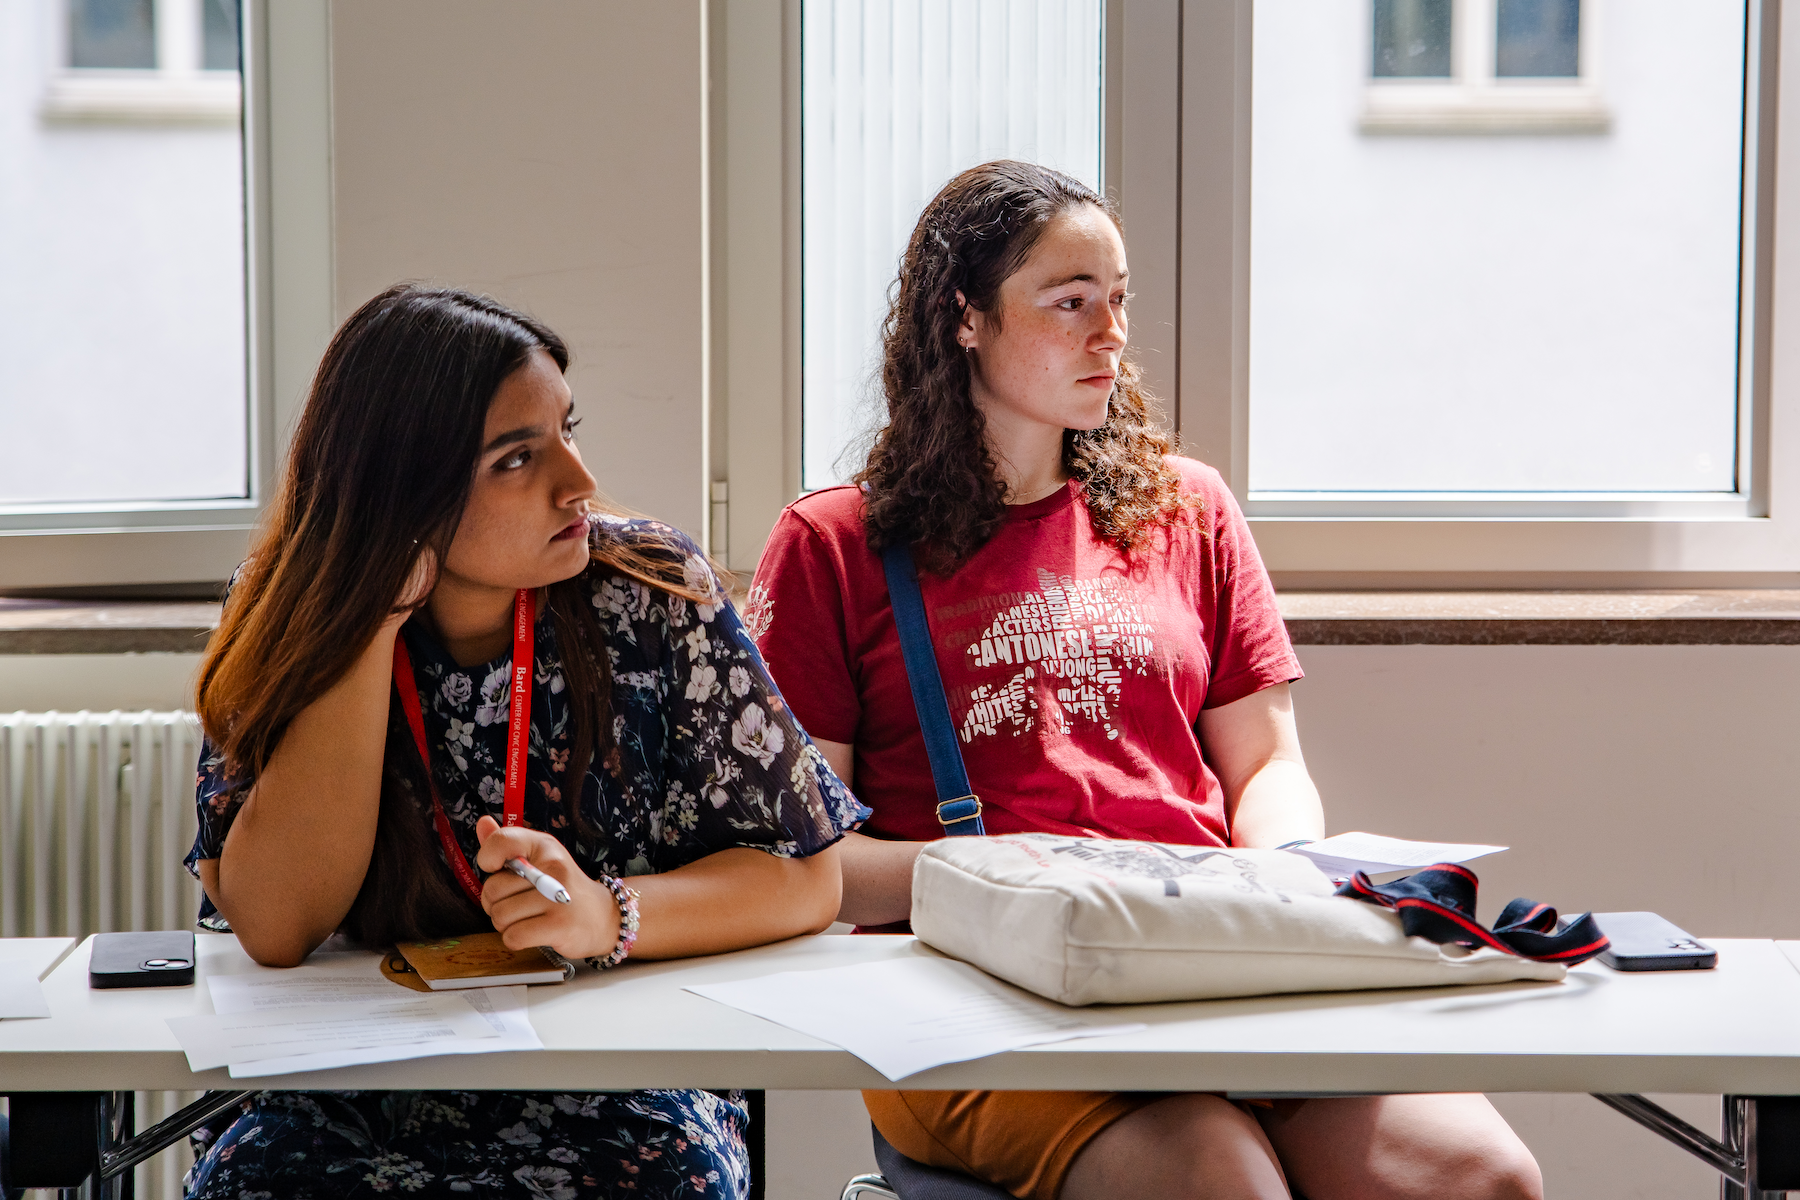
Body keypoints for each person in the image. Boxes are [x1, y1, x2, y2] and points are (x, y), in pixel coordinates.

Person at [747, 161, 1543, 1200]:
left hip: (1208, 963)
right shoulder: (836, 543)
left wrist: (1283, 875)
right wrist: (1021, 871)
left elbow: (1267, 768)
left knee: (1485, 1178)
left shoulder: (1189, 508)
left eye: (1117, 301)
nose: (1109, 335)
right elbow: (807, 863)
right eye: (1069, 303)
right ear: (964, 320)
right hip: (975, 990)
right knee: (1223, 1184)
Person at [184, 284, 867, 1199]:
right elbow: (273, 928)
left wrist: (607, 914)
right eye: (517, 458)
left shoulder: (651, 594)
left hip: (615, 1074)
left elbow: (805, 879)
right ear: (403, 489)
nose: (578, 481)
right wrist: (368, 617)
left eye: (567, 431)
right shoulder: (288, 607)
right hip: (346, 1085)